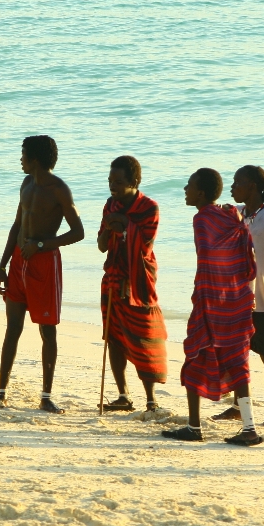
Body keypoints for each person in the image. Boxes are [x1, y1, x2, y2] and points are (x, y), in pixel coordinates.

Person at [0, 135, 84, 414]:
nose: (20, 159)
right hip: (18, 263)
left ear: (35, 159)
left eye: (23, 154)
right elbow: (17, 225)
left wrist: (40, 245)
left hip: (43, 264)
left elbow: (79, 232)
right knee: (12, 327)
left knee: (47, 331)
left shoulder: (59, 190)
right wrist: (2, 265)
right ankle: (1, 394)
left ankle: (46, 397)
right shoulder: (27, 183)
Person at [162, 168, 261, 446]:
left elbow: (208, 260)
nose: (185, 188)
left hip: (212, 299)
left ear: (201, 193)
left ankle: (194, 427)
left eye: (189, 185)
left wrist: (204, 298)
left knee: (196, 352)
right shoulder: (231, 215)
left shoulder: (202, 218)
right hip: (238, 297)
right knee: (238, 359)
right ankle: (249, 428)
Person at [211, 166, 264, 426]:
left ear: (253, 187)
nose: (232, 187)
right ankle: (237, 405)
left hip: (263, 299)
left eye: (238, 182)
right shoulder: (238, 214)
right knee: (238, 354)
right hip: (236, 298)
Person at [97, 156, 168, 412]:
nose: (112, 186)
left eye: (118, 182)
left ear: (134, 182)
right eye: (109, 181)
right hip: (113, 277)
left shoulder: (149, 207)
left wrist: (125, 223)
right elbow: (102, 245)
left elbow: (145, 245)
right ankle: (123, 395)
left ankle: (151, 399)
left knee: (141, 336)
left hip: (138, 280)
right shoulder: (110, 205)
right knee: (114, 336)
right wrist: (110, 225)